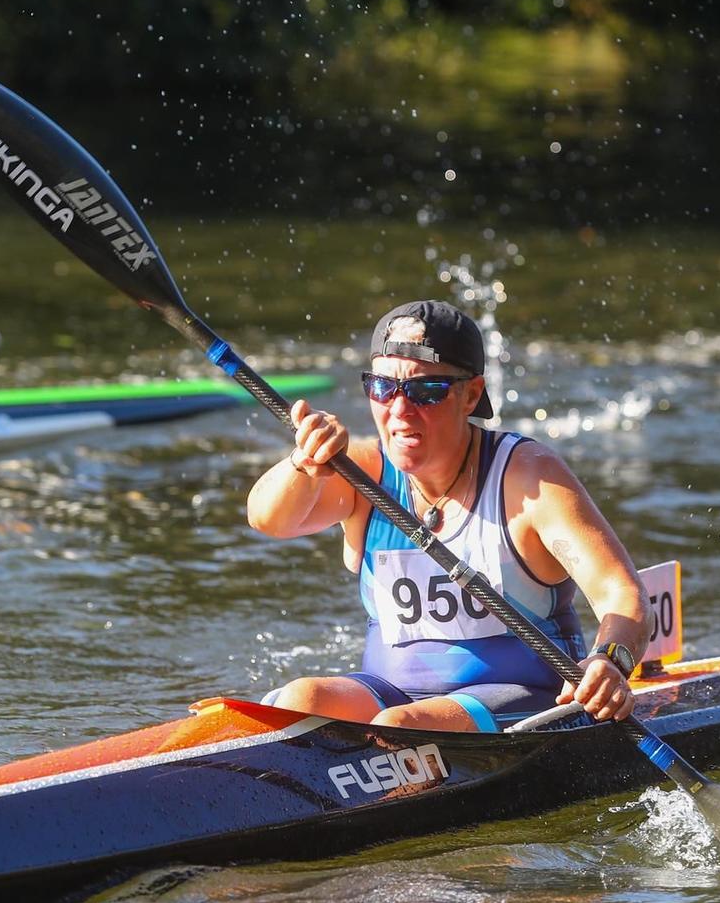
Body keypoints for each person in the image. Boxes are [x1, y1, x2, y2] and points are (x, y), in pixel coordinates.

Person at [246, 300, 648, 732]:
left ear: (470, 394)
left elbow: (622, 595)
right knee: (295, 702)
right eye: (382, 387)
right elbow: (269, 520)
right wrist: (304, 464)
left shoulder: (528, 477)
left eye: (426, 391)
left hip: (530, 696)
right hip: (390, 692)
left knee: (402, 725)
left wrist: (611, 660)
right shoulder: (361, 471)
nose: (399, 410)